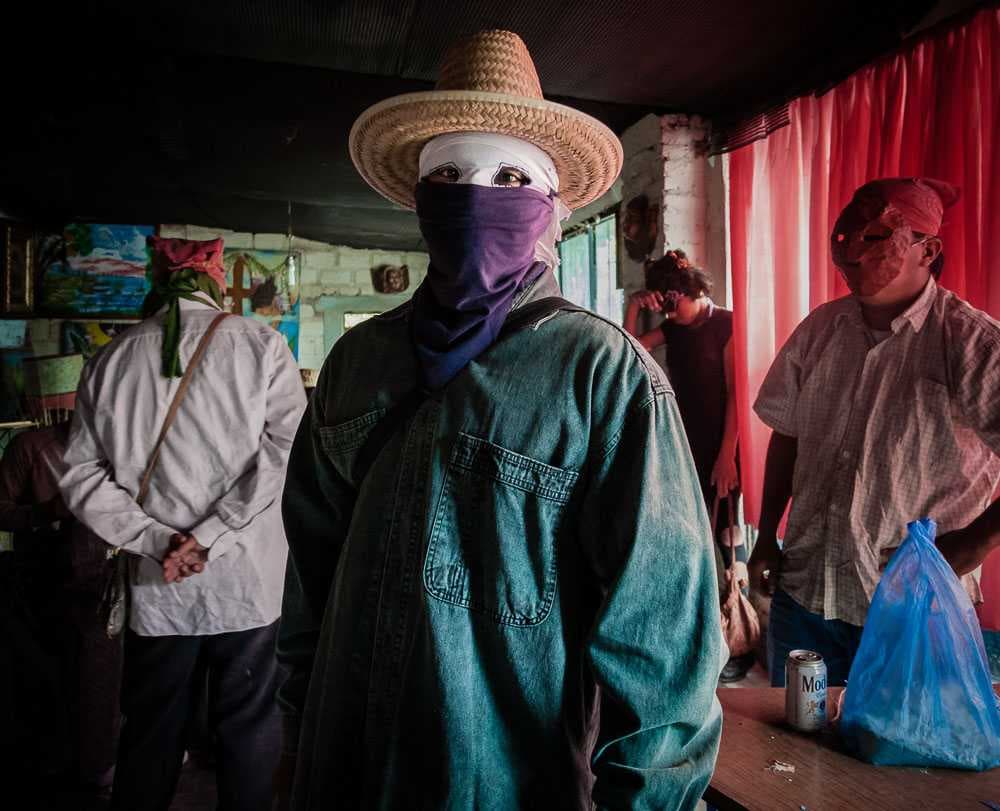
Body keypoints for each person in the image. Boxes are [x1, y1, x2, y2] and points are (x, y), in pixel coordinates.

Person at [276, 29, 724, 810]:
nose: (475, 194)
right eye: (447, 174)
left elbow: (664, 664)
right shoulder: (357, 365)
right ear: (420, 200)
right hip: (342, 771)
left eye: (510, 175)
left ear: (549, 208)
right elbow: (309, 593)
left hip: (504, 786)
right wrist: (297, 743)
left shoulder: (606, 378)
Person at [60, 236, 306, 811]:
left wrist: (155, 539)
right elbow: (288, 453)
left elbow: (79, 476)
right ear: (216, 278)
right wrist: (213, 535)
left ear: (155, 279)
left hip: (157, 586)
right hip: (245, 584)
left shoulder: (110, 358)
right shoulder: (262, 346)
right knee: (248, 728)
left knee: (152, 729)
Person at [748, 177, 1000, 686]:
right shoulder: (820, 330)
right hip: (808, 592)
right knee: (796, 748)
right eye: (848, 238)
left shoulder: (971, 343)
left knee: (899, 758)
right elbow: (788, 433)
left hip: (915, 604)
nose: (856, 254)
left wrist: (969, 546)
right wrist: (767, 534)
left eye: (878, 238)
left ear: (927, 251)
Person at [624, 251, 750, 681]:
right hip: (685, 443)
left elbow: (737, 394)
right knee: (692, 540)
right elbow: (629, 354)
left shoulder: (727, 324)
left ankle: (737, 638)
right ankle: (705, 641)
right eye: (662, 305)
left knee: (728, 538)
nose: (669, 312)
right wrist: (634, 309)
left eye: (672, 303)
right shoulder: (673, 331)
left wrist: (727, 457)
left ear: (693, 291)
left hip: (724, 446)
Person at [0, 358, 122, 800]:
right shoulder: (29, 448)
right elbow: (2, 510)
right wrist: (42, 515)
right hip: (41, 582)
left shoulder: (110, 449)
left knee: (99, 678)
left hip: (98, 579)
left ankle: (97, 761)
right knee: (46, 679)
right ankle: (53, 763)